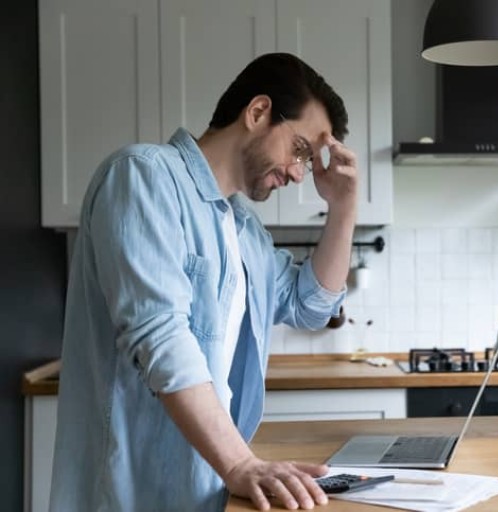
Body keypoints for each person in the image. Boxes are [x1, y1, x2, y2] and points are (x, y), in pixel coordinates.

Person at [49, 53, 357, 512]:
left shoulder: (245, 231)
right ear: (257, 113)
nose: (299, 172)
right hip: (129, 493)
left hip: (205, 491)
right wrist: (240, 464)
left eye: (308, 161)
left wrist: (343, 207)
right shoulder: (144, 176)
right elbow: (161, 335)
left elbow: (310, 305)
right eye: (299, 150)